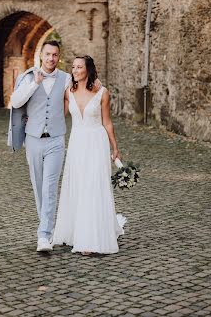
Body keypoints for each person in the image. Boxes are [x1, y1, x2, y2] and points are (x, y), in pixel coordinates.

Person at [52, 55, 126, 255]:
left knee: (93, 186)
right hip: (77, 143)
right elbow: (59, 115)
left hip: (96, 142)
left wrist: (115, 147)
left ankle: (91, 238)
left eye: (79, 67)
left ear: (88, 70)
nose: (75, 71)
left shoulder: (102, 93)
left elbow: (107, 122)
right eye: (73, 67)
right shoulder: (68, 92)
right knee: (78, 184)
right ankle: (77, 231)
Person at [9, 40, 71, 252]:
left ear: (58, 57)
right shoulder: (27, 77)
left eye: (55, 55)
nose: (51, 58)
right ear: (41, 56)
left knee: (50, 187)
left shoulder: (66, 79)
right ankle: (47, 228)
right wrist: (34, 83)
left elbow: (69, 102)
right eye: (48, 54)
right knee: (38, 186)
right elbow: (15, 102)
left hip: (55, 139)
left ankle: (43, 235)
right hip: (33, 140)